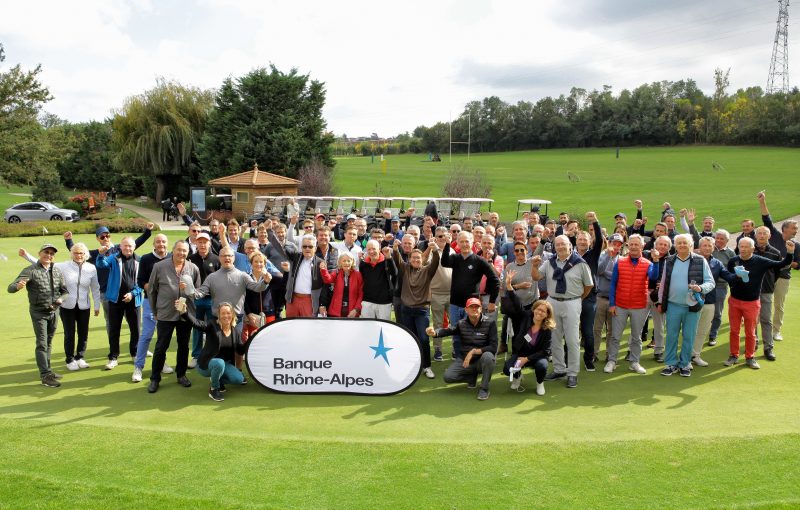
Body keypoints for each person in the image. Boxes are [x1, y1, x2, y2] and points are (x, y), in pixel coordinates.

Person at [532, 235, 594, 388]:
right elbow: (536, 277)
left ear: (570, 246)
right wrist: (534, 266)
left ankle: (572, 373)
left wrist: (577, 298)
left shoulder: (580, 263)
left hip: (572, 302)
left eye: (563, 244)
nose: (560, 247)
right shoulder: (549, 262)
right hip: (553, 303)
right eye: (557, 244)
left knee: (572, 339)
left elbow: (588, 285)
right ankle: (559, 369)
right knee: (554, 337)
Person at [724, 237, 794, 369]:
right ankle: (733, 355)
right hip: (734, 301)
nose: (743, 249)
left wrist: (790, 252)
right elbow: (729, 278)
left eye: (746, 247)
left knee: (750, 332)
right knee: (734, 330)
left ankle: (750, 357)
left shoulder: (761, 261)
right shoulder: (733, 261)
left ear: (752, 248)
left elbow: (782, 264)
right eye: (741, 246)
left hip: (752, 303)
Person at [654, 234, 715, 377]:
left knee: (689, 336)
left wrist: (700, 288)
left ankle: (685, 363)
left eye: (685, 243)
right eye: (679, 243)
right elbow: (663, 283)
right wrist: (660, 301)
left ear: (691, 245)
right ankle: (671, 363)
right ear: (675, 245)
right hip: (673, 305)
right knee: (672, 336)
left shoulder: (700, 261)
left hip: (692, 305)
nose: (682, 245)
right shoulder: (669, 260)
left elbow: (710, 282)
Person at [8, 243, 68, 388]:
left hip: (54, 311)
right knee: (42, 343)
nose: (49, 255)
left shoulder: (57, 271)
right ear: (39, 253)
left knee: (49, 341)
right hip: (38, 312)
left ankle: (48, 370)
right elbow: (10, 288)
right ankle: (45, 376)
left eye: (51, 253)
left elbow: (65, 291)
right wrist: (18, 286)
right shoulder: (30, 270)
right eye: (46, 252)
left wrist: (60, 299)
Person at [146, 240, 201, 393]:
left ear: (188, 252)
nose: (181, 253)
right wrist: (155, 312)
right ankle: (155, 378)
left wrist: (189, 290)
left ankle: (181, 375)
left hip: (185, 314)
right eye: (179, 250)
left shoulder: (193, 268)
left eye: (184, 251)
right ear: (173, 249)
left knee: (183, 346)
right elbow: (152, 291)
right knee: (161, 346)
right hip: (165, 313)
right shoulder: (159, 266)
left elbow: (197, 292)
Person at [440, 231, 500, 357]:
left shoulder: (479, 261)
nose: (464, 244)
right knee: (456, 334)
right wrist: (447, 245)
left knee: (472, 334)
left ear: (472, 242)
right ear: (458, 244)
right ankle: (458, 358)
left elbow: (494, 279)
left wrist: (492, 302)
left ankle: (472, 358)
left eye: (467, 241)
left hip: (472, 306)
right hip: (455, 304)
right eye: (461, 241)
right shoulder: (455, 258)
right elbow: (444, 262)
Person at [426, 297, 497, 401]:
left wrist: (473, 351)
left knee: (488, 356)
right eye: (471, 307)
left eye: (477, 307)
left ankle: (484, 388)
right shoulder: (461, 323)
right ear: (466, 310)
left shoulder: (490, 323)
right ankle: (471, 377)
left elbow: (493, 347)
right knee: (448, 377)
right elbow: (449, 331)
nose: (474, 309)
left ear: (481, 309)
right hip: (465, 360)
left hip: (482, 360)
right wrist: (435, 333)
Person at [604, 235, 652, 375]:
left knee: (636, 336)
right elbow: (613, 284)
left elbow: (654, 276)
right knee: (615, 336)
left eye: (637, 244)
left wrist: (655, 261)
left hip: (639, 306)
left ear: (642, 247)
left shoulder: (648, 263)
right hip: (620, 305)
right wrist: (612, 304)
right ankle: (612, 361)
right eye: (631, 244)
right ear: (628, 246)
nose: (633, 247)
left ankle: (634, 362)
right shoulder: (620, 262)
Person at [392, 241, 440, 379]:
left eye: (418, 258)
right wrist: (395, 248)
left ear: (422, 259)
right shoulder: (405, 268)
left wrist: (435, 250)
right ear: (409, 259)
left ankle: (427, 366)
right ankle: (412, 365)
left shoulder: (427, 271)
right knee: (410, 339)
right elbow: (397, 259)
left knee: (424, 339)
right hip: (406, 310)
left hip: (421, 311)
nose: (416, 260)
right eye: (413, 258)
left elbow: (436, 262)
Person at [501, 273, 553, 396]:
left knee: (542, 366)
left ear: (547, 315)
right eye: (538, 309)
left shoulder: (547, 329)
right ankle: (518, 377)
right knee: (507, 369)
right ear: (533, 309)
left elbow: (546, 351)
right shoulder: (525, 317)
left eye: (543, 311)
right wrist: (509, 286)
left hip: (536, 357)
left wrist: (527, 359)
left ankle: (540, 383)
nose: (539, 312)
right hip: (520, 354)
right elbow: (516, 303)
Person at [757, 191, 799, 342]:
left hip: (783, 277)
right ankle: (754, 330)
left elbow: (797, 265)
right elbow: (766, 218)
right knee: (761, 303)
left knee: (779, 306)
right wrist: (762, 201)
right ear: (785, 229)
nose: (796, 230)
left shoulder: (796, 245)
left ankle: (776, 331)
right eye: (794, 228)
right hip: (767, 276)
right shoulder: (773, 235)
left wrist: (786, 260)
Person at [95, 237, 142, 370]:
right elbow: (101, 264)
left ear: (134, 247)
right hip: (115, 300)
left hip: (133, 300)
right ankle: (113, 357)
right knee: (114, 329)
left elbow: (142, 283)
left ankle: (134, 353)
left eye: (130, 246)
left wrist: (132, 294)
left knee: (136, 329)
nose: (128, 248)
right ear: (120, 247)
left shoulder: (140, 260)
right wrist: (100, 254)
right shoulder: (114, 258)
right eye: (125, 246)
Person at [132, 233, 174, 383]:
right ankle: (138, 367)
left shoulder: (172, 257)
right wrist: (149, 287)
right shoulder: (146, 259)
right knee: (147, 335)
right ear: (154, 244)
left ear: (167, 244)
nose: (161, 244)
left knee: (163, 336)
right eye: (158, 242)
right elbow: (140, 280)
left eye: (163, 241)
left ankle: (161, 363)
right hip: (150, 302)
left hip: (168, 304)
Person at [690, 237, 735, 368]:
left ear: (714, 247)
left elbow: (728, 276)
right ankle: (685, 357)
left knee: (703, 330)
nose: (707, 248)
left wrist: (738, 275)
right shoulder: (692, 260)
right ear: (700, 247)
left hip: (709, 301)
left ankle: (695, 355)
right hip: (692, 301)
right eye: (704, 245)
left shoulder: (717, 263)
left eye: (710, 246)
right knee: (690, 330)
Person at [56, 243, 100, 371]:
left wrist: (97, 305)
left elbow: (95, 288)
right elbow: (45, 263)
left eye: (81, 253)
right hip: (67, 306)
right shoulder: (63, 266)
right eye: (76, 253)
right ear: (72, 254)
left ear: (85, 254)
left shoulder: (91, 268)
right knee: (69, 333)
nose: (78, 255)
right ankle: (69, 359)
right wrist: (26, 256)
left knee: (83, 333)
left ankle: (79, 357)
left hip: (84, 306)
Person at [187, 232, 221, 369]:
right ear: (196, 243)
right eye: (199, 242)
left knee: (213, 329)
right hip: (195, 300)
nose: (202, 244)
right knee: (197, 328)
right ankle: (196, 355)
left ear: (209, 243)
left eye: (204, 242)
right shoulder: (190, 259)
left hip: (212, 300)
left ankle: (213, 354)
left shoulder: (217, 259)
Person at [752, 225, 782, 360]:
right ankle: (753, 344)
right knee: (752, 320)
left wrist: (769, 283)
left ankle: (768, 348)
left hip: (767, 290)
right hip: (751, 290)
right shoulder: (750, 249)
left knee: (766, 319)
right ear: (756, 236)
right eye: (760, 233)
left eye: (765, 233)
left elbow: (776, 272)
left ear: (769, 236)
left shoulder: (775, 252)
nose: (762, 235)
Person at [594, 234, 623, 365]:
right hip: (599, 297)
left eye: (619, 244)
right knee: (597, 328)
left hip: (614, 300)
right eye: (614, 243)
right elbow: (598, 270)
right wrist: (607, 257)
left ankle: (609, 355)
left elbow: (619, 278)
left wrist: (607, 274)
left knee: (612, 330)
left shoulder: (622, 260)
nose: (616, 246)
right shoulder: (601, 256)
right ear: (609, 243)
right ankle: (594, 353)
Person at [282, 235, 325, 318]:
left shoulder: (321, 263)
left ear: (315, 249)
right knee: (291, 325)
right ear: (301, 248)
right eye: (304, 246)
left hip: (309, 301)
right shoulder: (296, 258)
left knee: (308, 327)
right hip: (293, 299)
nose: (307, 249)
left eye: (310, 246)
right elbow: (281, 247)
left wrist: (322, 304)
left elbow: (324, 286)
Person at [428, 227, 453, 362]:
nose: (441, 238)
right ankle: (438, 350)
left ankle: (456, 349)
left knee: (454, 323)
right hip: (436, 293)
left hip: (452, 293)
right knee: (438, 324)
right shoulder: (432, 252)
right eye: (438, 236)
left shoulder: (452, 250)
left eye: (443, 236)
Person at [709, 229, 736, 346]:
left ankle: (712, 335)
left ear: (727, 241)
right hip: (705, 285)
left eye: (722, 239)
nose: (719, 240)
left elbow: (733, 271)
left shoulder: (731, 254)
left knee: (717, 313)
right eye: (717, 238)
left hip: (720, 286)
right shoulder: (709, 249)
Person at [359, 240, 396, 320]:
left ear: (379, 249)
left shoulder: (386, 261)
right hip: (367, 301)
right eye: (369, 249)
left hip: (384, 302)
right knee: (366, 325)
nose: (371, 251)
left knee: (383, 327)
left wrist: (389, 257)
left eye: (374, 249)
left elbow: (394, 273)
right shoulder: (363, 264)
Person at [319, 253, 363, 318]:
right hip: (335, 312)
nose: (346, 263)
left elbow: (361, 294)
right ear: (340, 262)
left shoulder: (358, 275)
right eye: (344, 261)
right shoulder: (336, 273)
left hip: (352, 312)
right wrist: (323, 270)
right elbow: (328, 280)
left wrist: (356, 309)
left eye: (349, 261)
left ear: (352, 262)